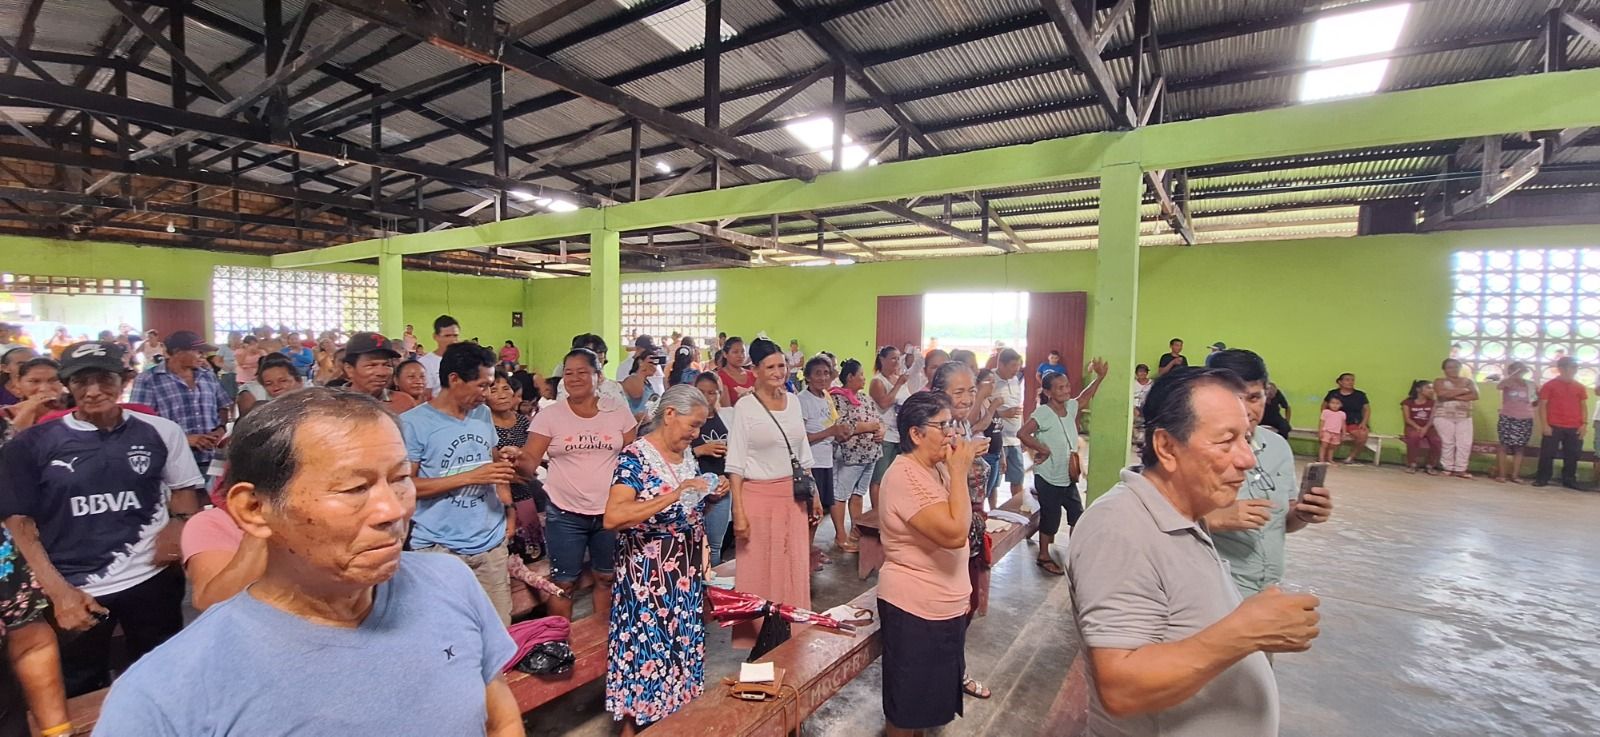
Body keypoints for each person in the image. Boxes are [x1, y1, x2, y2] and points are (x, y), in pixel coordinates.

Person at [94, 389, 523, 737]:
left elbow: (500, 719)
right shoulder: (163, 696)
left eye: (399, 480)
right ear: (254, 509)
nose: (393, 510)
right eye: (355, 488)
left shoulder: (449, 582)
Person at [1067, 368, 1321, 736]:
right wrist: (1245, 632)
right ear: (1167, 447)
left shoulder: (1185, 514)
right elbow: (1121, 689)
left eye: (1247, 438)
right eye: (1226, 441)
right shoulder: (1119, 528)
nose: (1247, 459)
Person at [0, 341, 203, 697]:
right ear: (67, 385)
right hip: (76, 589)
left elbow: (183, 488)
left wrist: (180, 524)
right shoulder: (31, 444)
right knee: (79, 686)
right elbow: (20, 525)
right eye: (81, 381)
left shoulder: (161, 431)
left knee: (162, 676)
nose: (93, 391)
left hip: (152, 580)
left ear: (125, 379)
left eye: (105, 379)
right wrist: (59, 593)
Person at [603, 385, 726, 735]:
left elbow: (686, 510)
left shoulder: (685, 456)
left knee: (678, 654)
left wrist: (709, 497)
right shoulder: (634, 458)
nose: (696, 433)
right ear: (669, 414)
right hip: (647, 582)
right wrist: (676, 494)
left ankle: (673, 724)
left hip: (683, 577)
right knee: (646, 657)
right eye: (693, 424)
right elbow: (614, 517)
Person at [876, 392, 984, 736]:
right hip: (914, 608)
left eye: (952, 424)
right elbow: (954, 532)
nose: (952, 433)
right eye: (942, 425)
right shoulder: (904, 476)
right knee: (907, 710)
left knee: (926, 709)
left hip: (944, 604)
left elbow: (962, 512)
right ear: (916, 434)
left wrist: (956, 471)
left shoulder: (935, 468)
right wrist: (959, 471)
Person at [400, 343, 516, 625]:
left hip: (490, 543)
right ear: (454, 379)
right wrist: (470, 477)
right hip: (440, 548)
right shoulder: (413, 423)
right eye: (481, 385)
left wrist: (508, 511)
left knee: (498, 629)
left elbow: (493, 466)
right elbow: (405, 486)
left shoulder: (482, 414)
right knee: (446, 631)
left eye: (490, 386)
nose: (486, 394)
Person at [1203, 350, 1334, 596]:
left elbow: (1282, 522)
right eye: (1234, 398)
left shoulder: (1277, 447)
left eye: (1254, 397)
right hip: (1211, 591)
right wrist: (1214, 518)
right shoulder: (1192, 449)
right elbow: (1155, 523)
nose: (1246, 410)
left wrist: (1303, 513)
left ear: (1267, 394)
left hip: (1267, 589)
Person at [522, 348, 638, 620]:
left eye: (582, 372)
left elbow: (634, 460)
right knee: (563, 584)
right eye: (569, 373)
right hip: (564, 513)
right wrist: (515, 459)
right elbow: (529, 462)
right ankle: (561, 641)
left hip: (610, 512)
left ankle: (603, 638)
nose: (574, 378)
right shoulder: (550, 416)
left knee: (606, 577)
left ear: (598, 376)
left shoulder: (618, 412)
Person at [727, 338, 819, 648]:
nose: (779, 372)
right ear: (755, 371)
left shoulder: (793, 401)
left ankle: (791, 635)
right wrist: (738, 512)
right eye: (771, 367)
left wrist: (814, 495)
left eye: (782, 365)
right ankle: (759, 641)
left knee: (793, 566)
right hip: (757, 498)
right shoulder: (745, 407)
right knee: (758, 571)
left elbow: (803, 454)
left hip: (793, 497)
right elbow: (735, 464)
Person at [1017, 360, 1107, 575]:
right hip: (1048, 476)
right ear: (1048, 392)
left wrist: (1100, 378)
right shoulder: (1043, 413)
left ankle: (1075, 551)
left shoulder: (1070, 407)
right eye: (1060, 388)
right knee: (1051, 519)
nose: (1066, 390)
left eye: (1067, 386)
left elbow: (1085, 396)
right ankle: (1043, 555)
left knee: (1077, 514)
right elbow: (1023, 433)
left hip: (1067, 476)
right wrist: (1042, 449)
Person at [130, 329, 232, 473]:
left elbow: (222, 405)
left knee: (214, 487)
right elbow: (139, 423)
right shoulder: (149, 380)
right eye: (197, 351)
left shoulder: (207, 376)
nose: (202, 356)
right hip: (173, 460)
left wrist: (221, 429)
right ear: (177, 351)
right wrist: (184, 439)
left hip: (212, 456)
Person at [830, 359, 882, 552]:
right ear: (850, 377)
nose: (864, 378)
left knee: (858, 494)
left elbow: (879, 420)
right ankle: (841, 536)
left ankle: (855, 532)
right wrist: (870, 426)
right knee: (841, 495)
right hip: (850, 455)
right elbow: (843, 426)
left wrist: (881, 430)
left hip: (870, 454)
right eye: (860, 374)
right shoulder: (837, 399)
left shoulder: (865, 398)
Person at [798, 356, 843, 564]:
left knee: (818, 511)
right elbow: (801, 437)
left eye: (826, 373)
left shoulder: (826, 396)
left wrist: (839, 433)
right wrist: (830, 432)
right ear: (807, 377)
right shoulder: (803, 400)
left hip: (826, 460)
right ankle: (802, 554)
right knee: (808, 512)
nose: (823, 378)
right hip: (811, 462)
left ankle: (808, 550)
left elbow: (831, 423)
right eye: (817, 373)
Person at [690, 374, 732, 565]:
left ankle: (711, 582)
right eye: (702, 392)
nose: (707, 397)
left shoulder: (728, 417)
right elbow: (673, 454)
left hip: (721, 489)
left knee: (714, 546)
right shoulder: (686, 419)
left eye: (712, 393)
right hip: (692, 489)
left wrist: (728, 479)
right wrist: (700, 450)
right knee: (692, 545)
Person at [1534, 356, 1588, 490]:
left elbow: (1583, 406)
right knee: (1547, 453)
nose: (1575, 370)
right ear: (1561, 368)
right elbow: (1542, 406)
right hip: (1553, 425)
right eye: (1572, 367)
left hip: (1574, 426)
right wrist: (1545, 425)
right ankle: (1542, 478)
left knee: (1572, 454)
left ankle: (1569, 479)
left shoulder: (1579, 387)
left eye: (1576, 367)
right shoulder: (1549, 385)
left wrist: (1584, 424)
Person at [870, 345, 913, 509]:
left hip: (901, 434)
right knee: (879, 477)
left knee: (896, 476)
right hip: (885, 434)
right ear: (882, 360)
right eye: (893, 358)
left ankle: (893, 507)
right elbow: (883, 403)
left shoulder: (900, 379)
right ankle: (876, 511)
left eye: (898, 358)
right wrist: (898, 385)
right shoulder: (878, 381)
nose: (896, 362)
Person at [990, 348, 1028, 504]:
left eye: (1018, 366)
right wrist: (1003, 414)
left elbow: (1019, 408)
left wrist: (1023, 433)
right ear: (1001, 364)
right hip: (998, 439)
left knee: (1018, 478)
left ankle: (1016, 509)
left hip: (1015, 440)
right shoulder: (990, 380)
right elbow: (983, 410)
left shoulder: (1015, 380)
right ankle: (993, 511)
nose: (1016, 369)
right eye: (1013, 366)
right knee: (993, 483)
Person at [343, 332, 415, 414]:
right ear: (349, 369)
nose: (381, 373)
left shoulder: (404, 403)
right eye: (371, 365)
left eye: (387, 365)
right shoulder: (334, 404)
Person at [0, 358, 64, 444]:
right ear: (18, 382)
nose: (44, 388)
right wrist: (28, 410)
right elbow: (7, 448)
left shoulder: (75, 412)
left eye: (53, 380)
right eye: (34, 381)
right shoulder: (3, 414)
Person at [1433, 359, 1479, 478]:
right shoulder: (1439, 381)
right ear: (1444, 369)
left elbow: (1475, 395)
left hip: (1464, 416)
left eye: (1456, 367)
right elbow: (1441, 394)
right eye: (1449, 367)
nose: (1453, 369)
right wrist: (1463, 391)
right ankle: (1447, 467)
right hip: (1443, 415)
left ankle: (1461, 469)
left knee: (1465, 443)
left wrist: (1453, 395)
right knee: (1447, 442)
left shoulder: (1468, 381)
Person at [1495, 362, 1537, 483]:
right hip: (1507, 417)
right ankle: (1502, 475)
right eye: (1516, 370)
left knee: (1520, 447)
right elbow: (1499, 386)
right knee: (1503, 445)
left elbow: (1535, 400)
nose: (1519, 372)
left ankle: (1515, 475)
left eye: (1521, 370)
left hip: (1525, 418)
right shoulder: (1507, 382)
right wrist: (1512, 376)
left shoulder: (1530, 384)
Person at [1323, 373, 1373, 464]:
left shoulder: (1360, 395)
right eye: (1347, 380)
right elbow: (1324, 407)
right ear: (1340, 382)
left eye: (1352, 380)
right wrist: (1326, 420)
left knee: (1362, 435)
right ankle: (1325, 457)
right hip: (1336, 421)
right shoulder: (1333, 393)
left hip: (1353, 421)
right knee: (1327, 434)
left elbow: (1367, 409)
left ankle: (1351, 457)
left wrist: (1364, 423)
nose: (1350, 382)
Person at [235, 355, 300, 418]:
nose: (276, 387)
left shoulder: (305, 403)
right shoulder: (260, 407)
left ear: (299, 381)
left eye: (283, 381)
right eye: (269, 384)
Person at [1400, 380, 1442, 474]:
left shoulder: (1433, 403)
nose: (1431, 390)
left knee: (1436, 441)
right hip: (1413, 426)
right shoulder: (1407, 402)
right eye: (1428, 388)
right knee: (1413, 437)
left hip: (1429, 427)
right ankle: (1412, 464)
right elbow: (1407, 419)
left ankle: (1430, 465)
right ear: (1418, 389)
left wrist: (1425, 428)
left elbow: (1432, 418)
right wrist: (1418, 428)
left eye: (1432, 388)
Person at [418, 315, 462, 393]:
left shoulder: (466, 360)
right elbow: (425, 395)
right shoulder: (425, 363)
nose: (453, 340)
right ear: (435, 336)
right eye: (447, 336)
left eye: (455, 336)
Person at [715, 336, 756, 408]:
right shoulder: (720, 377)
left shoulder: (752, 375)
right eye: (735, 352)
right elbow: (727, 409)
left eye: (743, 351)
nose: (740, 355)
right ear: (725, 354)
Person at [1318, 397, 1345, 463]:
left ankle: (1330, 459)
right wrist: (1320, 431)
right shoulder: (1325, 412)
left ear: (1341, 405)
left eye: (1337, 403)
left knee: (1332, 447)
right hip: (1326, 432)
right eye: (1332, 403)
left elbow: (1343, 424)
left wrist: (1343, 433)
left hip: (1336, 433)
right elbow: (1322, 422)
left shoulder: (1342, 414)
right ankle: (1321, 459)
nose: (1335, 405)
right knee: (1324, 446)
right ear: (1329, 404)